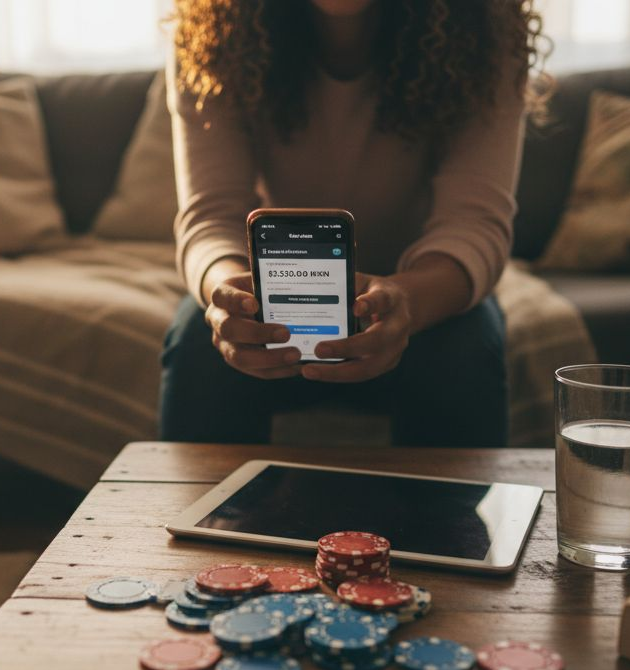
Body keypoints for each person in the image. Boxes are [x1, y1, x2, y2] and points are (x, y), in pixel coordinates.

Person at [160, 0, 546, 446]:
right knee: (200, 342)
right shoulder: (212, 36)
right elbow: (212, 218)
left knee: (465, 352)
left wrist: (405, 302)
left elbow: (474, 226)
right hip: (276, 290)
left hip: (422, 293)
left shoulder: (487, 33)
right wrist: (231, 295)